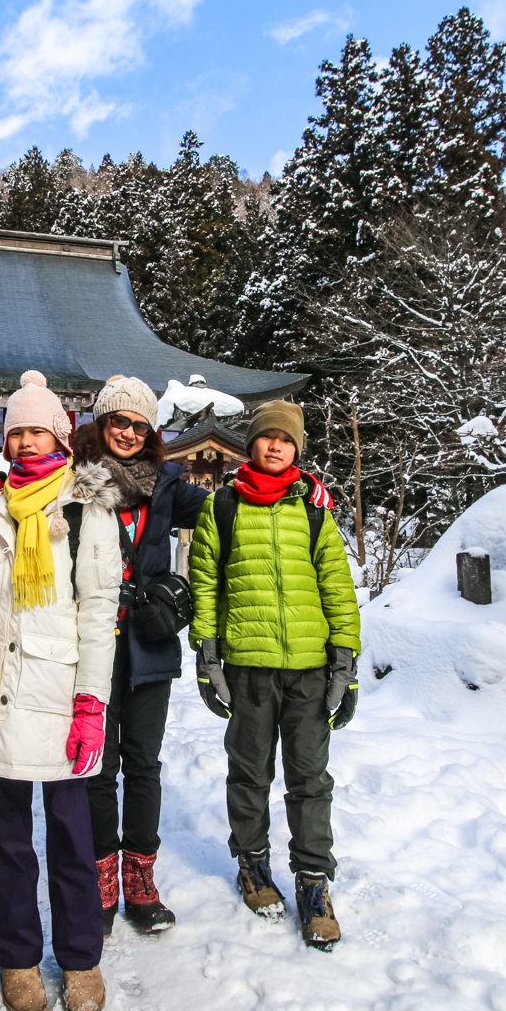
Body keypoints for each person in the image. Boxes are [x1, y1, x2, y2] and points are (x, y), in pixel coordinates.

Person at [0, 370, 122, 1011]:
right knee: (8, 839)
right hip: (1, 691)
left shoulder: (87, 502)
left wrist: (92, 701)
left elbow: (99, 607)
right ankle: (19, 958)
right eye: (17, 431)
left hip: (60, 693)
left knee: (70, 833)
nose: (27, 441)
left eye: (38, 429)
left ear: (59, 434)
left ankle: (81, 957)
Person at [187, 399, 361, 951]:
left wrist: (346, 661)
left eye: (286, 440)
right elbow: (206, 584)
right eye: (267, 438)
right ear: (252, 445)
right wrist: (208, 654)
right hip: (248, 666)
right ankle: (254, 865)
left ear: (296, 449)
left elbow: (338, 585)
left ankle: (314, 882)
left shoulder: (314, 512)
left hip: (309, 668)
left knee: (310, 779)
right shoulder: (222, 508)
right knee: (250, 772)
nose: (275, 446)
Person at [70, 375, 207, 935]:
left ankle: (140, 880)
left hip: (149, 643)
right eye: (118, 421)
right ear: (101, 424)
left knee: (144, 765)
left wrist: (298, 488)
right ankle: (101, 880)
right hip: (93, 645)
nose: (127, 432)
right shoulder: (73, 484)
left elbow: (232, 507)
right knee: (99, 769)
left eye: (138, 425)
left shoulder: (168, 486)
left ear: (150, 432)